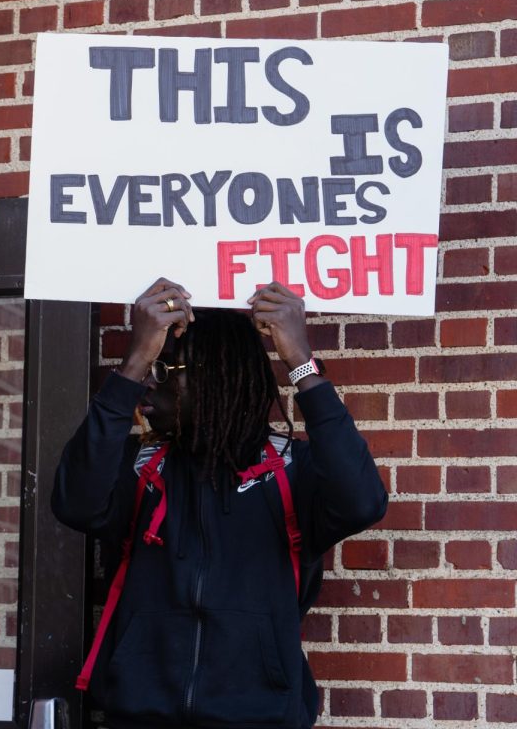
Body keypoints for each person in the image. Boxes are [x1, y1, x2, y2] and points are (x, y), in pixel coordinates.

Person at [52, 278, 387, 729]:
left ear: (211, 378)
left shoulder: (291, 470)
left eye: (162, 371)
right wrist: (134, 362)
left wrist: (300, 362)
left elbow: (362, 502)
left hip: (262, 719)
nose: (148, 388)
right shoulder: (141, 467)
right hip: (140, 717)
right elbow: (74, 503)